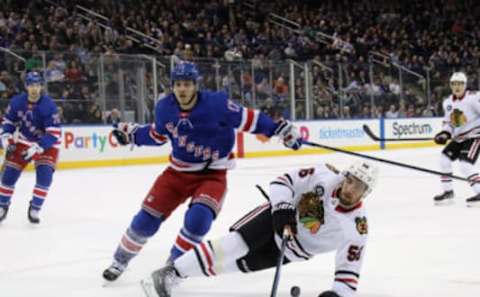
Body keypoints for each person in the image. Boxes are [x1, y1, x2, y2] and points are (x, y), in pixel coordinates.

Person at [102, 62, 303, 281]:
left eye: (187, 84)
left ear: (195, 85)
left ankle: (173, 269)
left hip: (212, 175)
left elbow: (249, 119)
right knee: (145, 220)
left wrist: (279, 130)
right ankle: (120, 260)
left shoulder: (216, 104)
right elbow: (157, 135)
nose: (182, 89)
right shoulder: (164, 108)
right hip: (177, 173)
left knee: (199, 219)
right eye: (178, 84)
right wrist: (134, 135)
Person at [140, 161, 378, 297]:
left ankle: (181, 273)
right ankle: (171, 273)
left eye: (358, 187)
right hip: (275, 218)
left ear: (365, 193)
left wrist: (337, 295)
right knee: (232, 245)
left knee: (234, 266)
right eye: (350, 180)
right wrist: (283, 209)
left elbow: (348, 274)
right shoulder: (323, 176)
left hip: (291, 250)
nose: (349, 188)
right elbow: (282, 181)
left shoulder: (357, 228)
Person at [0, 72, 62, 224]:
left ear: (41, 86)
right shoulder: (16, 102)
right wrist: (5, 135)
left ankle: (35, 208)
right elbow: (8, 121)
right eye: (31, 85)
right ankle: (2, 206)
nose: (34, 88)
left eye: (37, 85)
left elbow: (54, 132)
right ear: (26, 86)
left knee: (45, 177)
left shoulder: (49, 105)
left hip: (48, 144)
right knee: (8, 175)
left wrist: (39, 147)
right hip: (24, 140)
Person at [433, 72, 480, 207]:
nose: (457, 87)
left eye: (460, 84)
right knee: (444, 159)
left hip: (474, 137)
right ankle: (448, 192)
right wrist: (444, 134)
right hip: (459, 138)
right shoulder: (447, 102)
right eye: (454, 84)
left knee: (465, 165)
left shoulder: (473, 98)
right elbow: (449, 122)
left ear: (465, 85)